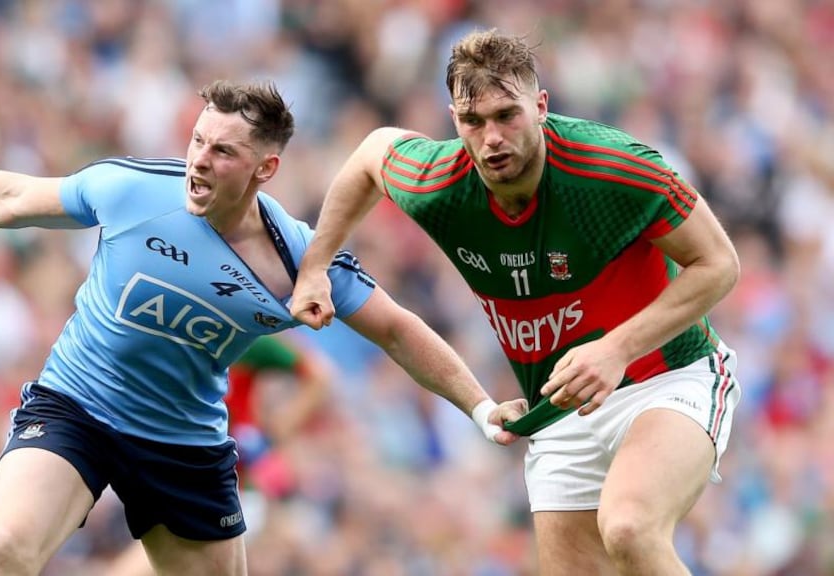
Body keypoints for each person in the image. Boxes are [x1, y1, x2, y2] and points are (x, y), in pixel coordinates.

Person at [0, 80, 520, 576]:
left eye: (223, 151)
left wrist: (480, 406)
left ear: (265, 169)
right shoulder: (132, 189)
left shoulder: (297, 260)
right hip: (77, 404)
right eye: (198, 140)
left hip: (183, 444)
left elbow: (398, 329)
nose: (199, 160)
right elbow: (10, 199)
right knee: (5, 549)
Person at [289, 30, 742, 576]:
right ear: (454, 121)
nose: (491, 138)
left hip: (667, 377)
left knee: (628, 526)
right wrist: (315, 266)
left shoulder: (612, 168)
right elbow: (369, 155)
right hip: (559, 409)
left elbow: (719, 264)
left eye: (508, 115)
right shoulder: (439, 182)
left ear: (541, 107)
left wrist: (616, 347)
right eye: (472, 122)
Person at [106, 333, 332, 576]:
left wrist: (281, 424)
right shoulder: (173, 332)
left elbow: (319, 376)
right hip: (173, 475)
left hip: (230, 489)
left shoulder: (247, 339)